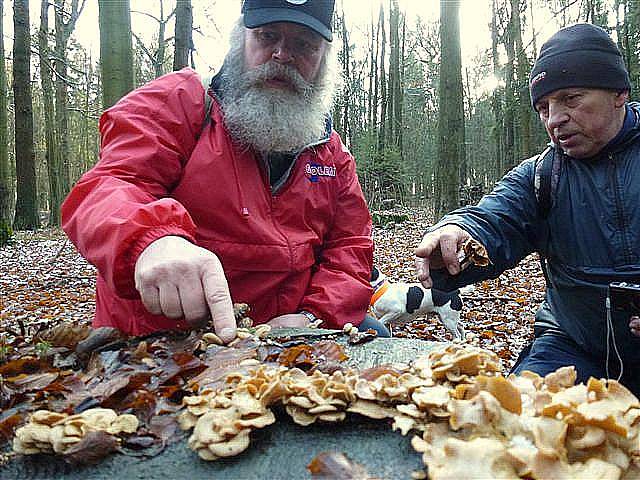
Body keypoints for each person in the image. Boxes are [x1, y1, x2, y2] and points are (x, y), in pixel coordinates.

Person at [61, 0, 380, 343]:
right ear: (240, 39)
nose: (283, 55)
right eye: (268, 35)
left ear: (323, 60)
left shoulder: (332, 154)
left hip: (287, 338)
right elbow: (109, 185)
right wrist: (151, 241)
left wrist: (312, 317)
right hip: (168, 343)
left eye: (304, 44)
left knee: (376, 336)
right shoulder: (179, 101)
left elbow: (350, 249)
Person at [414, 23, 640, 396]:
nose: (554, 119)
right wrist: (454, 236)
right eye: (544, 107)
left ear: (618, 93)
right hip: (571, 347)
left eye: (571, 98)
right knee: (513, 420)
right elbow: (491, 218)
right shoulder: (542, 176)